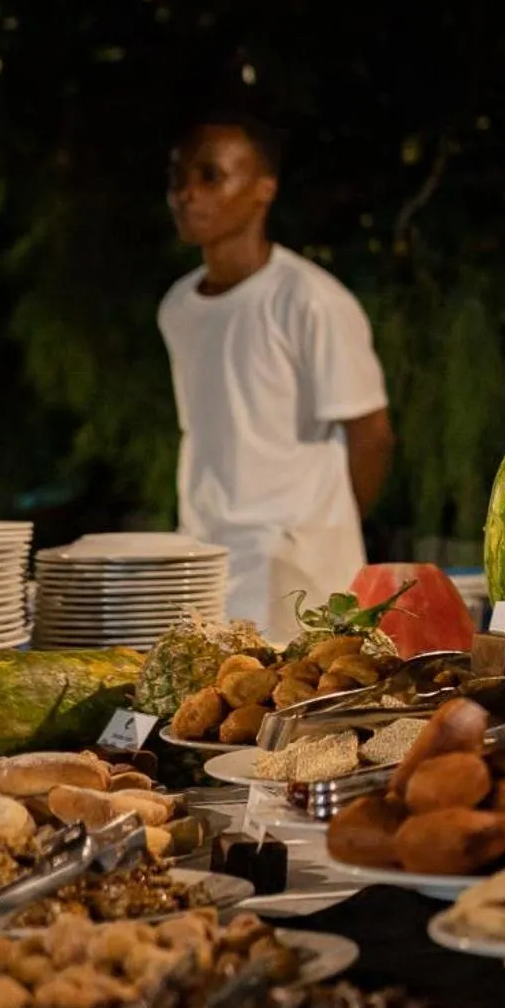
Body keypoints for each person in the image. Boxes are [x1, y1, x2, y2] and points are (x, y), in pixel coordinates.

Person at [159, 112, 395, 639]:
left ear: (264, 187)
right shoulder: (178, 306)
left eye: (210, 175)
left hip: (297, 572)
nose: (187, 194)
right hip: (201, 561)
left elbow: (372, 436)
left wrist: (319, 530)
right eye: (178, 178)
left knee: (292, 713)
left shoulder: (310, 300)